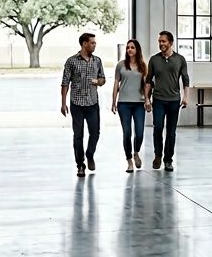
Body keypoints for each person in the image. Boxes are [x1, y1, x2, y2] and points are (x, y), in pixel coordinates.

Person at [61, 32, 106, 178]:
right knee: (78, 135)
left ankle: (90, 154)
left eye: (94, 43)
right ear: (84, 43)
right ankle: (80, 164)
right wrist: (63, 103)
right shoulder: (71, 61)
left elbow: (102, 79)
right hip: (77, 104)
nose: (94, 45)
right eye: (92, 43)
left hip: (92, 103)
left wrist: (98, 81)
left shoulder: (97, 61)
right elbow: (65, 82)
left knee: (95, 132)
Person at [145, 30, 190, 171]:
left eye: (163, 41)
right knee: (158, 128)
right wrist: (147, 99)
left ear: (170, 42)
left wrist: (186, 97)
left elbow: (185, 80)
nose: (161, 44)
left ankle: (168, 159)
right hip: (158, 99)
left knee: (171, 131)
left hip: (174, 101)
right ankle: (158, 155)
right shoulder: (154, 59)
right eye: (159, 41)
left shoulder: (180, 59)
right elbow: (148, 81)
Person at [113, 38, 148, 173]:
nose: (129, 50)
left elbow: (146, 85)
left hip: (139, 104)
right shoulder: (121, 65)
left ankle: (136, 153)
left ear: (137, 49)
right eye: (128, 48)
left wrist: (147, 100)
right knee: (127, 133)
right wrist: (113, 101)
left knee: (139, 133)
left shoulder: (143, 66)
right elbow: (116, 84)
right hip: (124, 104)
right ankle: (129, 161)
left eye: (132, 47)